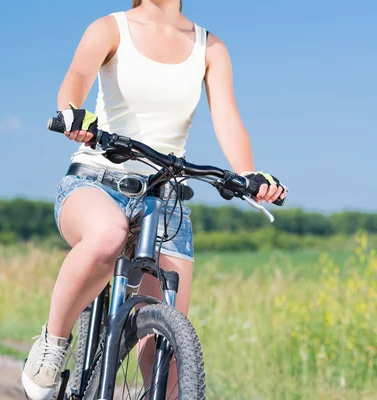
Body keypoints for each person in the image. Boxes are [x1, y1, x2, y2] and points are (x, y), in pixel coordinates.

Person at [22, 0, 288, 399]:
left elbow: (227, 116)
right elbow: (77, 76)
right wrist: (73, 113)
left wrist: (249, 173)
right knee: (107, 237)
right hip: (97, 180)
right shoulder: (111, 28)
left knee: (172, 366)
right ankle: (53, 342)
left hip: (165, 197)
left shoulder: (209, 47)